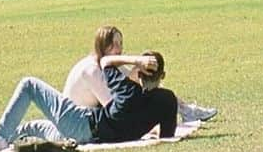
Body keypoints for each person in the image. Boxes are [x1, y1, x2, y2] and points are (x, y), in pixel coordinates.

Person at [0, 50, 177, 152]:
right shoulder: (168, 101)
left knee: (29, 85)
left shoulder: (127, 90)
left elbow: (105, 61)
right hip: (88, 136)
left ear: (138, 73)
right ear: (162, 76)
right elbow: (167, 137)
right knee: (34, 126)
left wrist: (135, 60)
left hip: (81, 123)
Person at [63, 25, 217, 125]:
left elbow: (137, 87)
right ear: (103, 46)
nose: (119, 49)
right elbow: (115, 109)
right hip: (79, 122)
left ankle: (186, 109)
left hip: (94, 115)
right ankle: (185, 110)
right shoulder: (91, 70)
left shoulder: (108, 65)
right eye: (114, 44)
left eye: (121, 43)